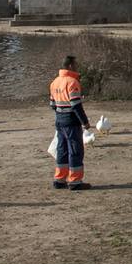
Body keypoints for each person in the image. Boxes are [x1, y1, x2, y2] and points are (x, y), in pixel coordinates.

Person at [49, 55, 91, 190]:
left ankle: (59, 179)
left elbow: (52, 104)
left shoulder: (55, 82)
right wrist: (84, 122)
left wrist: (60, 114)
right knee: (75, 151)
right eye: (76, 64)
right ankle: (75, 181)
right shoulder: (72, 82)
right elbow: (76, 105)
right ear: (71, 66)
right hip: (71, 122)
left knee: (62, 150)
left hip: (59, 121)